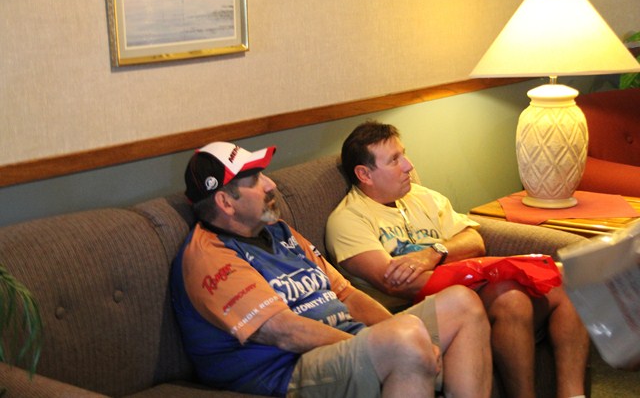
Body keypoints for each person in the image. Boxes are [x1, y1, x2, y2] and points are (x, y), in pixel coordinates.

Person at [170, 141, 492, 398]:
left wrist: (397, 332)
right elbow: (287, 333)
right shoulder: (210, 256)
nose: (271, 184)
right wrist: (382, 341)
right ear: (226, 203)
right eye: (255, 180)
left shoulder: (278, 231)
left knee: (462, 303)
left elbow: (345, 293)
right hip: (287, 369)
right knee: (404, 342)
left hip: (343, 341)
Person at [326, 121, 590, 398]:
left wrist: (433, 253)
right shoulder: (349, 220)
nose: (408, 166)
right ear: (364, 174)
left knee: (565, 282)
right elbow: (396, 284)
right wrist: (480, 278)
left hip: (466, 290)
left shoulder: (423, 197)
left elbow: (474, 240)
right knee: (510, 297)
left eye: (404, 154)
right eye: (394, 160)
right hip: (414, 315)